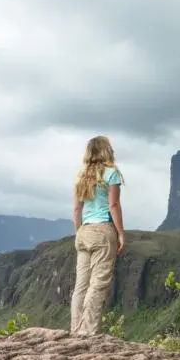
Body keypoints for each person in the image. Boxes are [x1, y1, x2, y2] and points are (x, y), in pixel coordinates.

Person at [70, 136, 126, 336]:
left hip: (84, 232)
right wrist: (121, 233)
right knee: (98, 284)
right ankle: (88, 333)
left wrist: (80, 231)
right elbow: (113, 205)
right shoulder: (111, 174)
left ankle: (75, 331)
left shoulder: (81, 176)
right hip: (103, 231)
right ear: (106, 151)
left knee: (81, 286)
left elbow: (77, 209)